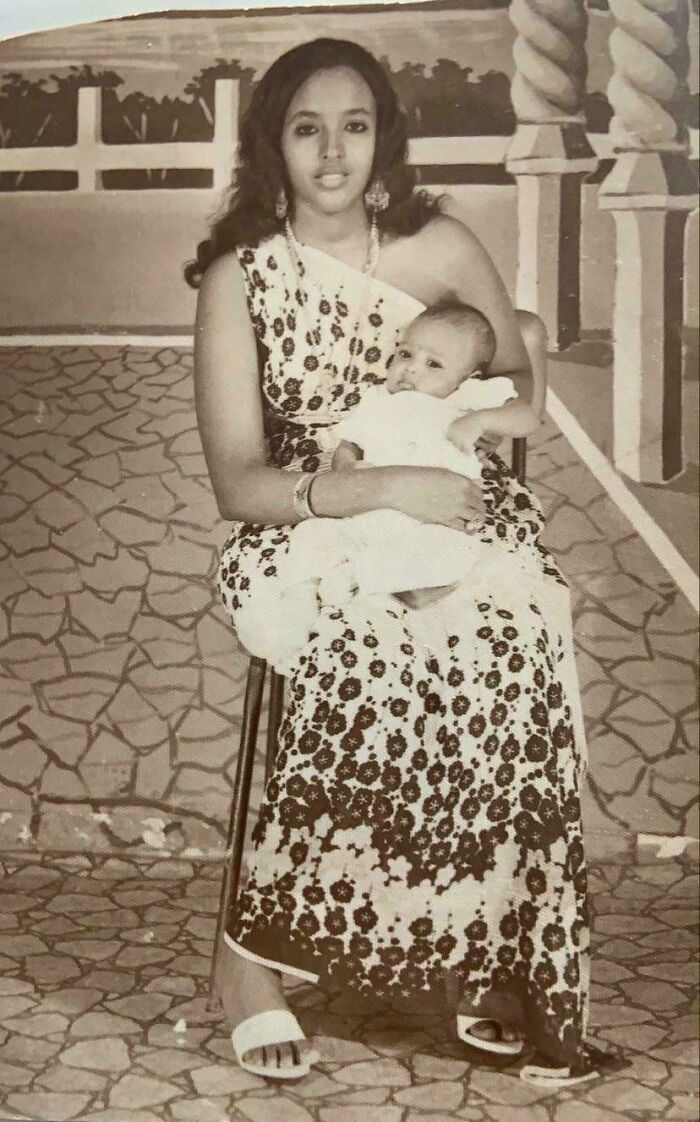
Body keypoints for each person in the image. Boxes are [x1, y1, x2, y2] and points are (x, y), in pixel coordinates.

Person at [188, 37, 599, 1087]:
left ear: (385, 141)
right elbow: (239, 482)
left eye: (356, 126)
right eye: (307, 128)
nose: (333, 154)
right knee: (372, 647)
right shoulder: (242, 276)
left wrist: (477, 425)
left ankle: (477, 955)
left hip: (444, 506)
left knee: (509, 637)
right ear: (272, 142)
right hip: (307, 522)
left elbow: (517, 356)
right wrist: (380, 488)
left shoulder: (442, 243)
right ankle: (249, 969)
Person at [233, 299, 537, 674]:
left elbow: (526, 417)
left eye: (433, 364)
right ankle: (294, 607)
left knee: (454, 554)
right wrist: (346, 471)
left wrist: (482, 419)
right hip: (370, 507)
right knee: (314, 535)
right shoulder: (377, 400)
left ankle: (357, 578)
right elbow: (348, 445)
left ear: (467, 378)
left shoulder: (466, 400)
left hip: (434, 520)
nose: (411, 369)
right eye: (405, 354)